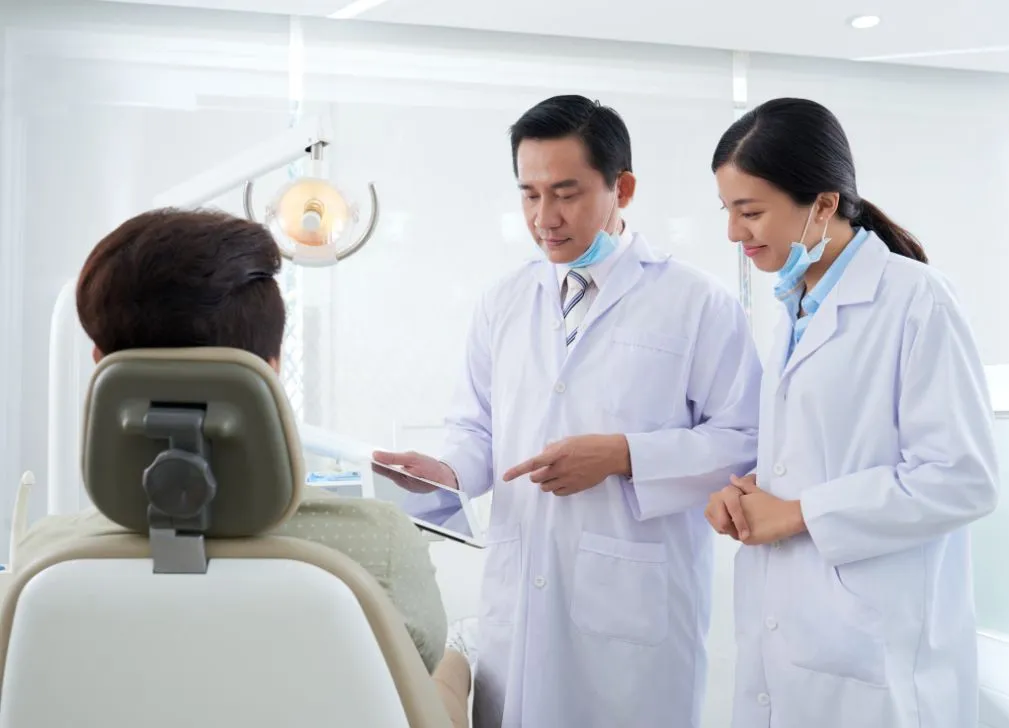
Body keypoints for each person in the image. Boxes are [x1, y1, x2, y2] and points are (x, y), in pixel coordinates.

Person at [374, 95, 761, 728]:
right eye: (529, 195)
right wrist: (446, 472)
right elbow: (477, 427)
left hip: (633, 614)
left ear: (622, 189)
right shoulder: (503, 302)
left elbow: (744, 440)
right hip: (520, 598)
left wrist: (624, 456)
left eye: (566, 193)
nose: (544, 218)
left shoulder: (697, 303)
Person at [15, 209, 471, 728]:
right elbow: (413, 674)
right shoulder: (379, 546)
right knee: (453, 666)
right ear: (271, 372)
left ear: (100, 364)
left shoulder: (41, 561)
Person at [706, 97, 999, 728]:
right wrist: (754, 491)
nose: (734, 233)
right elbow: (826, 454)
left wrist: (797, 513)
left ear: (823, 204)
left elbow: (962, 478)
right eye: (726, 211)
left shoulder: (916, 300)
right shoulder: (796, 306)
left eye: (750, 212)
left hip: (878, 652)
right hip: (799, 630)